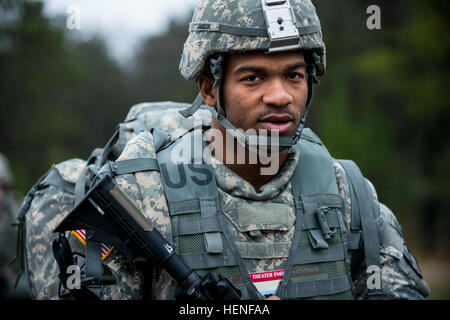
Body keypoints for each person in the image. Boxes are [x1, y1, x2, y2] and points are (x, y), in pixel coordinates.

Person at [44, 0, 430, 300]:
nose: (280, 96)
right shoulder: (140, 192)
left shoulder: (349, 194)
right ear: (210, 89)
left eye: (293, 75)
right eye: (253, 77)